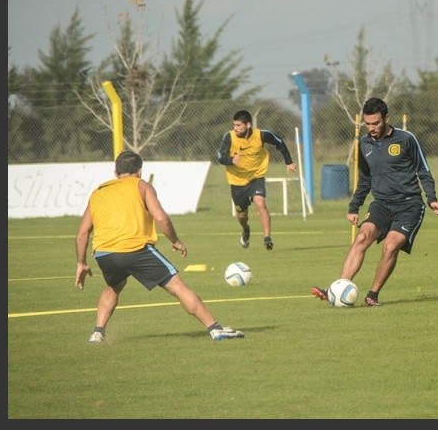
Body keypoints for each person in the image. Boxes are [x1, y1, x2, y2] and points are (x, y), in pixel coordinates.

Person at [75, 150, 244, 342]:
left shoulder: (97, 192)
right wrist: (176, 241)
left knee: (114, 286)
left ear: (115, 173)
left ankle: (97, 332)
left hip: (104, 254)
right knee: (178, 286)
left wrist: (81, 263)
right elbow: (161, 218)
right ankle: (215, 329)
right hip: (135, 249)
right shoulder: (141, 185)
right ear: (139, 172)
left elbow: (82, 233)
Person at [310, 97, 438, 306]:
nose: (371, 128)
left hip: (409, 205)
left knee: (391, 246)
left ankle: (372, 295)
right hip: (381, 203)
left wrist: (432, 199)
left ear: (386, 118)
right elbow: (365, 179)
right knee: (361, 238)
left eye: (376, 123)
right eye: (367, 123)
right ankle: (338, 289)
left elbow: (424, 171)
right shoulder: (364, 144)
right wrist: (354, 206)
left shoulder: (407, 139)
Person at [216, 110, 297, 251]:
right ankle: (246, 229)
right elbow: (220, 157)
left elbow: (279, 142)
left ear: (248, 125)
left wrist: (289, 162)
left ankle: (267, 238)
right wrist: (231, 160)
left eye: (238, 125)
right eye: (234, 125)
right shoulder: (229, 137)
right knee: (242, 215)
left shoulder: (262, 135)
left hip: (256, 177)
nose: (235, 128)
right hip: (237, 181)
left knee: (260, 203)